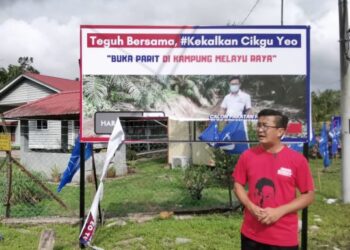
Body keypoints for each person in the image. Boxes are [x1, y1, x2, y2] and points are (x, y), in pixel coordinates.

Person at [232, 109, 314, 250]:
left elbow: (309, 195)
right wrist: (250, 206)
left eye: (265, 126)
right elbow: (238, 185)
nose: (260, 130)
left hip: (283, 238)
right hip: (251, 235)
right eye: (258, 125)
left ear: (280, 131)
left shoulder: (297, 160)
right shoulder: (247, 156)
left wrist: (279, 211)